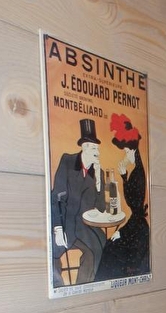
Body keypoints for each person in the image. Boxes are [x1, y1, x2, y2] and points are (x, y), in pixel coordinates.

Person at [51, 119, 106, 286]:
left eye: (97, 148)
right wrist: (58, 228)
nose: (97, 152)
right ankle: (59, 287)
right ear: (85, 147)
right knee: (49, 253)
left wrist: (98, 183)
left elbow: (101, 208)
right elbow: (56, 197)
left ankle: (84, 288)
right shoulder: (68, 161)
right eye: (94, 148)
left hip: (84, 227)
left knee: (99, 249)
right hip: (64, 222)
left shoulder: (98, 172)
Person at [94, 113, 150, 281]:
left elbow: (135, 209)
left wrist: (122, 233)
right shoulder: (136, 171)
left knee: (111, 248)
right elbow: (133, 203)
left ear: (133, 150)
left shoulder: (138, 173)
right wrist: (124, 176)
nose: (126, 155)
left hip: (138, 233)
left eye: (126, 151)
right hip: (136, 228)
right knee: (110, 245)